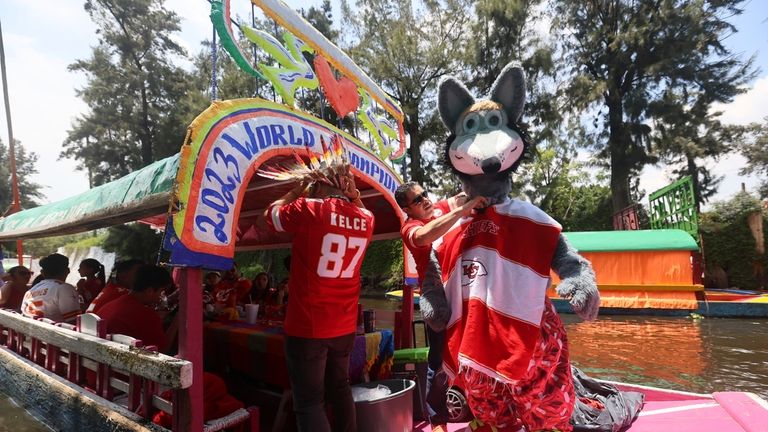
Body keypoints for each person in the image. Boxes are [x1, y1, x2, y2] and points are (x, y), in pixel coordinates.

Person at [262, 140, 373, 432]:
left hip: (307, 326)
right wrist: (355, 197)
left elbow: (270, 214)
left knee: (309, 402)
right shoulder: (367, 217)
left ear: (317, 184)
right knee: (340, 388)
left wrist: (299, 187)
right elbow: (360, 210)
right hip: (345, 326)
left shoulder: (309, 209)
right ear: (346, 183)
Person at [395, 182, 486, 432]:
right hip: (439, 301)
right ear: (407, 209)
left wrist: (481, 192)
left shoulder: (439, 207)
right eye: (418, 199)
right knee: (438, 362)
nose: (426, 200)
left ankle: (482, 411)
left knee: (474, 354)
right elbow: (427, 235)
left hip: (462, 293)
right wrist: (462, 209)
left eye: (425, 194)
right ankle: (437, 420)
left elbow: (464, 196)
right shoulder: (410, 228)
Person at [97, 265, 170, 352]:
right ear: (150, 291)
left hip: (104, 357)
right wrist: (178, 320)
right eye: (162, 292)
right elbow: (163, 350)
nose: (162, 297)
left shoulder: (112, 304)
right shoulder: (146, 315)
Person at [20, 253, 81, 323]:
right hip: (52, 333)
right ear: (67, 270)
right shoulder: (65, 289)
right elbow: (74, 321)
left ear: (42, 273)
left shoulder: (30, 291)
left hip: (30, 331)